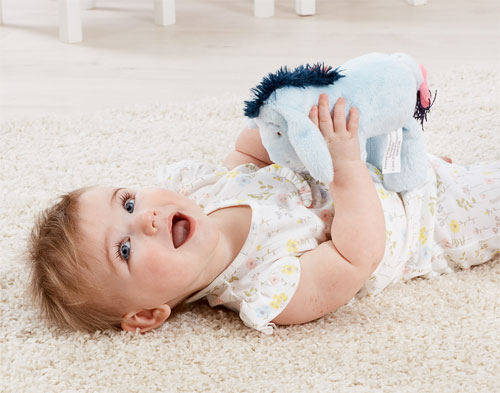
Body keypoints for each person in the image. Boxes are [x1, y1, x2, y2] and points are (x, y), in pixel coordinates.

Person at [28, 95, 500, 334]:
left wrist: (280, 109)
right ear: (149, 314)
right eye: (125, 248)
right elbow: (358, 257)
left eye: (128, 203)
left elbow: (250, 152)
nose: (146, 219)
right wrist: (345, 164)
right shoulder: (267, 288)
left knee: (391, 111)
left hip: (392, 168)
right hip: (436, 220)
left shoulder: (206, 191)